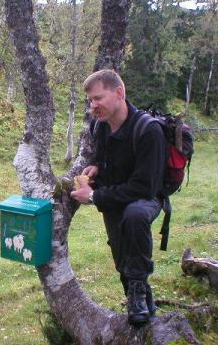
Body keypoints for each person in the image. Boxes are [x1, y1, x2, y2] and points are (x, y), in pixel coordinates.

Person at [70, 69, 166, 325]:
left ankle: (137, 297)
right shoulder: (99, 126)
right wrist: (96, 167)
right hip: (115, 197)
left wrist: (94, 197)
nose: (93, 105)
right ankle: (144, 307)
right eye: (90, 100)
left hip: (146, 197)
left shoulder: (149, 130)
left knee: (134, 216)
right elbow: (105, 158)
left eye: (98, 98)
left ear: (119, 93)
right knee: (122, 258)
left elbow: (144, 187)